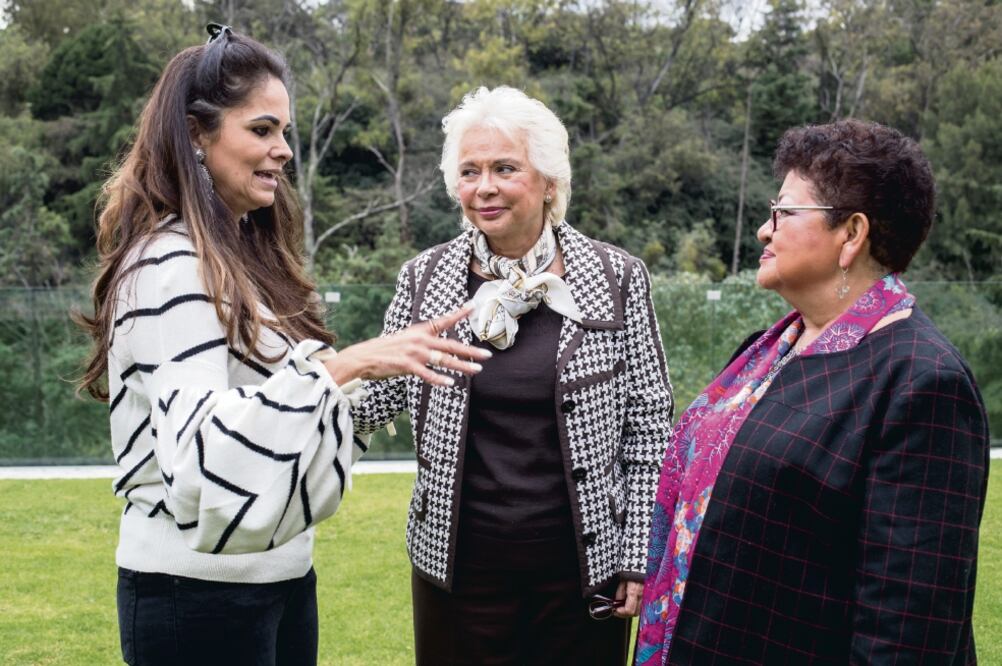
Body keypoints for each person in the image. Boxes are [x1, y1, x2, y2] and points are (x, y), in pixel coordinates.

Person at [76, 24, 488, 666]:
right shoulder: (170, 263)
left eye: (285, 132)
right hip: (196, 595)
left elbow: (284, 408)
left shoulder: (244, 258)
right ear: (194, 134)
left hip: (283, 580)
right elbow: (203, 447)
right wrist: (348, 364)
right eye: (262, 130)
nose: (283, 151)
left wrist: (407, 367)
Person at [635, 119, 990, 664]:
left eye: (783, 212)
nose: (763, 230)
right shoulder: (767, 352)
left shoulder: (921, 380)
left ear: (851, 233)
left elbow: (910, 629)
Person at [352, 86, 674, 665]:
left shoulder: (616, 276)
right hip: (457, 574)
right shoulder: (426, 281)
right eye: (470, 171)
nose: (485, 187)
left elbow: (648, 428)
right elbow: (375, 396)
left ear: (549, 181)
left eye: (505, 168)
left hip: (582, 575)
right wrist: (298, 384)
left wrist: (636, 554)